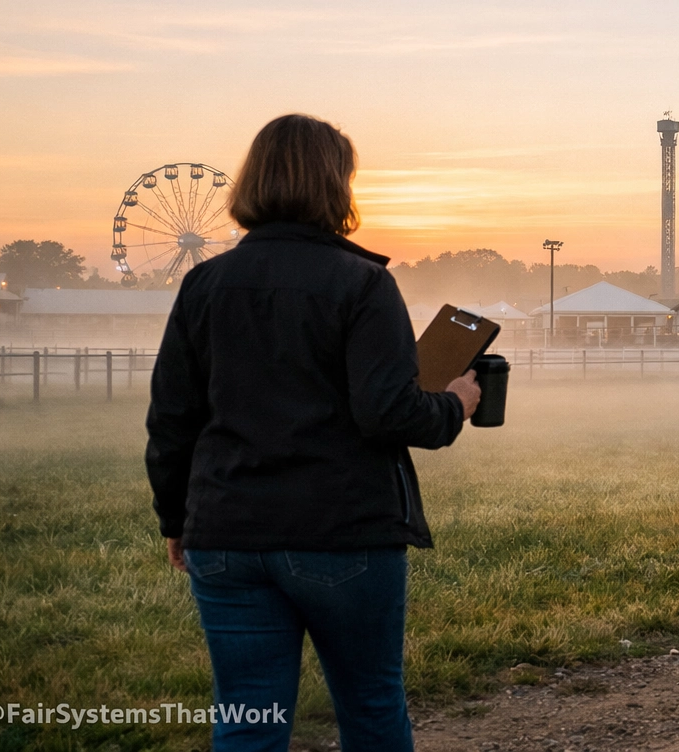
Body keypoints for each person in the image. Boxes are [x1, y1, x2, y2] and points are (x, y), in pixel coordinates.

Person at [145, 113, 481, 752]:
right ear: (335, 186)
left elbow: (170, 419)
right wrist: (455, 404)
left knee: (248, 720)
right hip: (343, 532)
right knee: (371, 707)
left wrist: (174, 519)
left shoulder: (203, 284)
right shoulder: (363, 283)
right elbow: (389, 411)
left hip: (226, 534)